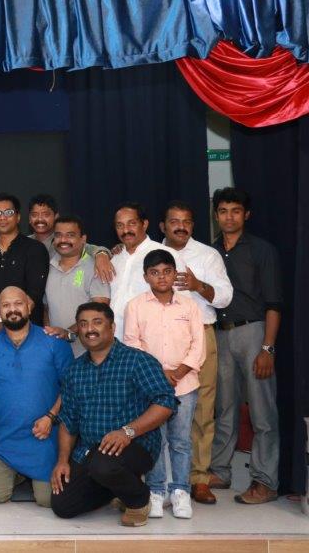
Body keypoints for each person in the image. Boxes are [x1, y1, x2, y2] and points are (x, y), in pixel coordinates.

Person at [51, 302, 178, 527]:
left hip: (135, 445)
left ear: (112, 327)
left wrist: (127, 432)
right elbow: (68, 421)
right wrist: (62, 461)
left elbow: (165, 402)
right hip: (90, 451)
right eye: (83, 324)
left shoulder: (138, 361)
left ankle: (139, 500)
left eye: (97, 322)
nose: (90, 329)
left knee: (104, 464)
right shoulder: (74, 370)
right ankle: (117, 489)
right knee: (63, 505)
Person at [209, 187, 282, 505]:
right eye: (223, 211)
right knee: (224, 408)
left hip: (254, 332)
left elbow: (274, 303)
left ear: (246, 215)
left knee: (262, 411)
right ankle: (220, 471)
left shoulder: (262, 250)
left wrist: (268, 348)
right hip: (220, 334)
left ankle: (265, 481)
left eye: (235, 211)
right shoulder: (210, 252)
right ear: (216, 215)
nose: (229, 217)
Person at [158, 200, 234, 505]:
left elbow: (225, 297)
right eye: (174, 221)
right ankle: (159, 477)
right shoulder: (150, 252)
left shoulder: (207, 255)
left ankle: (199, 478)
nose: (181, 226)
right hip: (159, 337)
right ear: (163, 226)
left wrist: (198, 285)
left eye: (186, 221)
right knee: (156, 406)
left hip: (200, 335)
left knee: (202, 407)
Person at [123, 250, 205, 519]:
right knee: (154, 439)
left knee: (181, 441)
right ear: (146, 276)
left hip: (185, 384)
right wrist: (159, 374)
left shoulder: (189, 306)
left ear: (174, 274)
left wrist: (178, 372)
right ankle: (156, 490)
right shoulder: (135, 306)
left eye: (167, 272)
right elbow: (132, 344)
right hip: (150, 387)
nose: (161, 277)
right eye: (155, 273)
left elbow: (198, 345)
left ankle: (180, 491)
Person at [0, 287, 73, 509]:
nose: (12, 310)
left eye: (18, 303)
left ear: (29, 307)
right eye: (6, 305)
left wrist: (51, 417)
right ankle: (19, 474)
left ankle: (28, 475)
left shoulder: (54, 342)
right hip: (4, 438)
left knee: (47, 500)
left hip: (43, 436)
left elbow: (71, 386)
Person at [0, 193, 49, 324]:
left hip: (27, 328)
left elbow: (34, 294)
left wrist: (11, 326)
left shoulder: (35, 249)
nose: (2, 217)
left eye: (8, 212)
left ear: (18, 217)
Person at [109, 202, 183, 338]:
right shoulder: (114, 259)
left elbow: (181, 301)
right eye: (120, 225)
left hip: (153, 338)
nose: (125, 230)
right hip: (116, 338)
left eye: (132, 223)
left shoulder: (166, 254)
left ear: (144, 224)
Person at [43, 215, 111, 355]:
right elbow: (46, 308)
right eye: (58, 235)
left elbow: (100, 309)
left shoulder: (96, 267)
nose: (63, 240)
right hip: (56, 350)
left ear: (83, 239)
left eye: (70, 235)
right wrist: (50, 334)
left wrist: (68, 332)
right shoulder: (47, 266)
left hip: (87, 353)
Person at [27, 195, 114, 282]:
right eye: (34, 215)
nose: (40, 219)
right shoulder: (24, 243)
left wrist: (101, 255)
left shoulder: (62, 242)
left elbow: (91, 248)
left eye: (46, 215)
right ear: (29, 218)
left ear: (56, 217)